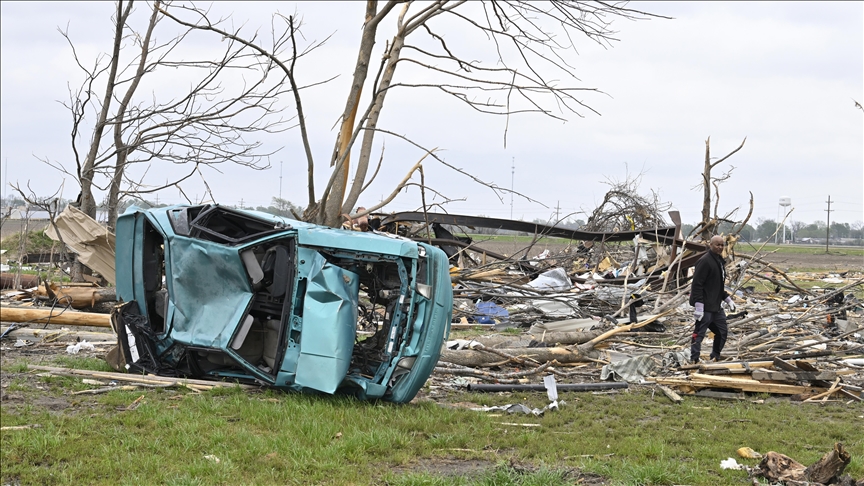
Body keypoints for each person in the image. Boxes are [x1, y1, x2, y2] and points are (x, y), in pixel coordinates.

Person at [689, 235, 736, 363]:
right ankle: (694, 359)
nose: (720, 247)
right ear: (711, 245)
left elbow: (717, 285)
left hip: (716, 306)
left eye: (722, 245)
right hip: (705, 307)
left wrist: (727, 299)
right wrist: (699, 305)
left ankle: (715, 356)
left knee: (722, 332)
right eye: (717, 245)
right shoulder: (705, 261)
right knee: (699, 334)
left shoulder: (719, 261)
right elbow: (697, 284)